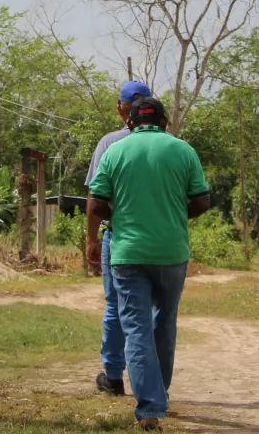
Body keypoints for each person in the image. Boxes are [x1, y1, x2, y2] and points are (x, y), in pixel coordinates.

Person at [86, 96, 211, 430]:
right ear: (164, 122)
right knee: (165, 323)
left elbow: (96, 204)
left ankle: (150, 407)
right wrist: (175, 216)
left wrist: (121, 219)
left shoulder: (114, 152)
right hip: (172, 253)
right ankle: (161, 392)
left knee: (136, 329)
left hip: (128, 254)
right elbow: (202, 200)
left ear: (130, 122)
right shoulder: (183, 150)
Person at [87, 80, 152, 397]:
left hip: (119, 235)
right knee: (153, 310)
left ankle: (113, 376)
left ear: (120, 110)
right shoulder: (169, 143)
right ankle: (152, 378)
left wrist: (90, 239)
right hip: (158, 238)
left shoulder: (109, 145)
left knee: (116, 306)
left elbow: (95, 199)